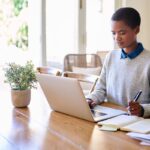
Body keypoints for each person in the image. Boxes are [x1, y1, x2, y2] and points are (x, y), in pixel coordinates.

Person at [86, 7, 150, 118]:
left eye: (122, 33)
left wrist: (142, 109)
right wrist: (90, 99)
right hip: (109, 117)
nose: (117, 38)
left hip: (136, 122)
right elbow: (100, 89)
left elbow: (144, 109)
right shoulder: (110, 56)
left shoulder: (148, 61)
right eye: (113, 33)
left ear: (136, 30)